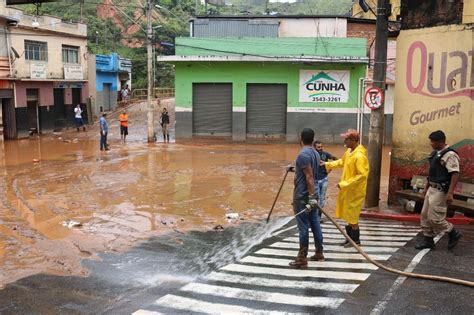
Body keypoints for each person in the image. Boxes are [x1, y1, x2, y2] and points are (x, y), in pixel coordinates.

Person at [415, 130, 462, 250]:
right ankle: (428, 240)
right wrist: (426, 187)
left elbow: (455, 173)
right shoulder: (435, 154)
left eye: (433, 141)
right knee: (425, 215)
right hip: (432, 188)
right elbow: (432, 173)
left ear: (441, 141)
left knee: (435, 218)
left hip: (441, 190)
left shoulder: (450, 155)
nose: (431, 143)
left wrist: (450, 193)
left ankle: (453, 232)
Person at [322, 129, 369, 247]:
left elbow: (362, 175)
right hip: (348, 190)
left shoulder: (359, 156)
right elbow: (341, 162)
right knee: (347, 214)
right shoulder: (349, 152)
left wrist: (344, 183)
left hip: (355, 191)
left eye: (347, 139)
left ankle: (356, 241)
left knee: (352, 216)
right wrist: (327, 164)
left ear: (353, 140)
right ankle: (349, 239)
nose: (345, 141)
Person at [287, 128, 324, 269]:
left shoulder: (302, 154)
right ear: (313, 139)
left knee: (303, 227)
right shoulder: (315, 153)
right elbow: (308, 171)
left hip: (303, 196)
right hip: (313, 194)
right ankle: (319, 252)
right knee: (315, 223)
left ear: (300, 138)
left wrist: (311, 197)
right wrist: (294, 168)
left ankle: (302, 258)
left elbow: (309, 176)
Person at [314, 140, 337, 220]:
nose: (320, 148)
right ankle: (315, 217)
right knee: (316, 199)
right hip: (315, 180)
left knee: (322, 199)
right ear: (314, 147)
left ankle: (318, 217)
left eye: (321, 147)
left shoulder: (325, 154)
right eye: (318, 147)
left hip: (324, 179)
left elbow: (335, 160)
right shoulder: (312, 155)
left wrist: (329, 169)